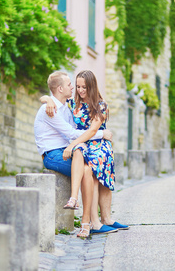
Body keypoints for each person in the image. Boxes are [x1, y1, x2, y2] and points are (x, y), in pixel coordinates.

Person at [42, 70, 129, 237]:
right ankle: (94, 221)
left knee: (99, 170)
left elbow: (92, 131)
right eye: (78, 87)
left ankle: (107, 219)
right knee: (90, 168)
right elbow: (51, 97)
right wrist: (47, 100)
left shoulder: (101, 105)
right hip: (82, 145)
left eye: (84, 87)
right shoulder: (73, 104)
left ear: (92, 86)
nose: (81, 91)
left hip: (98, 144)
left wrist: (73, 144)